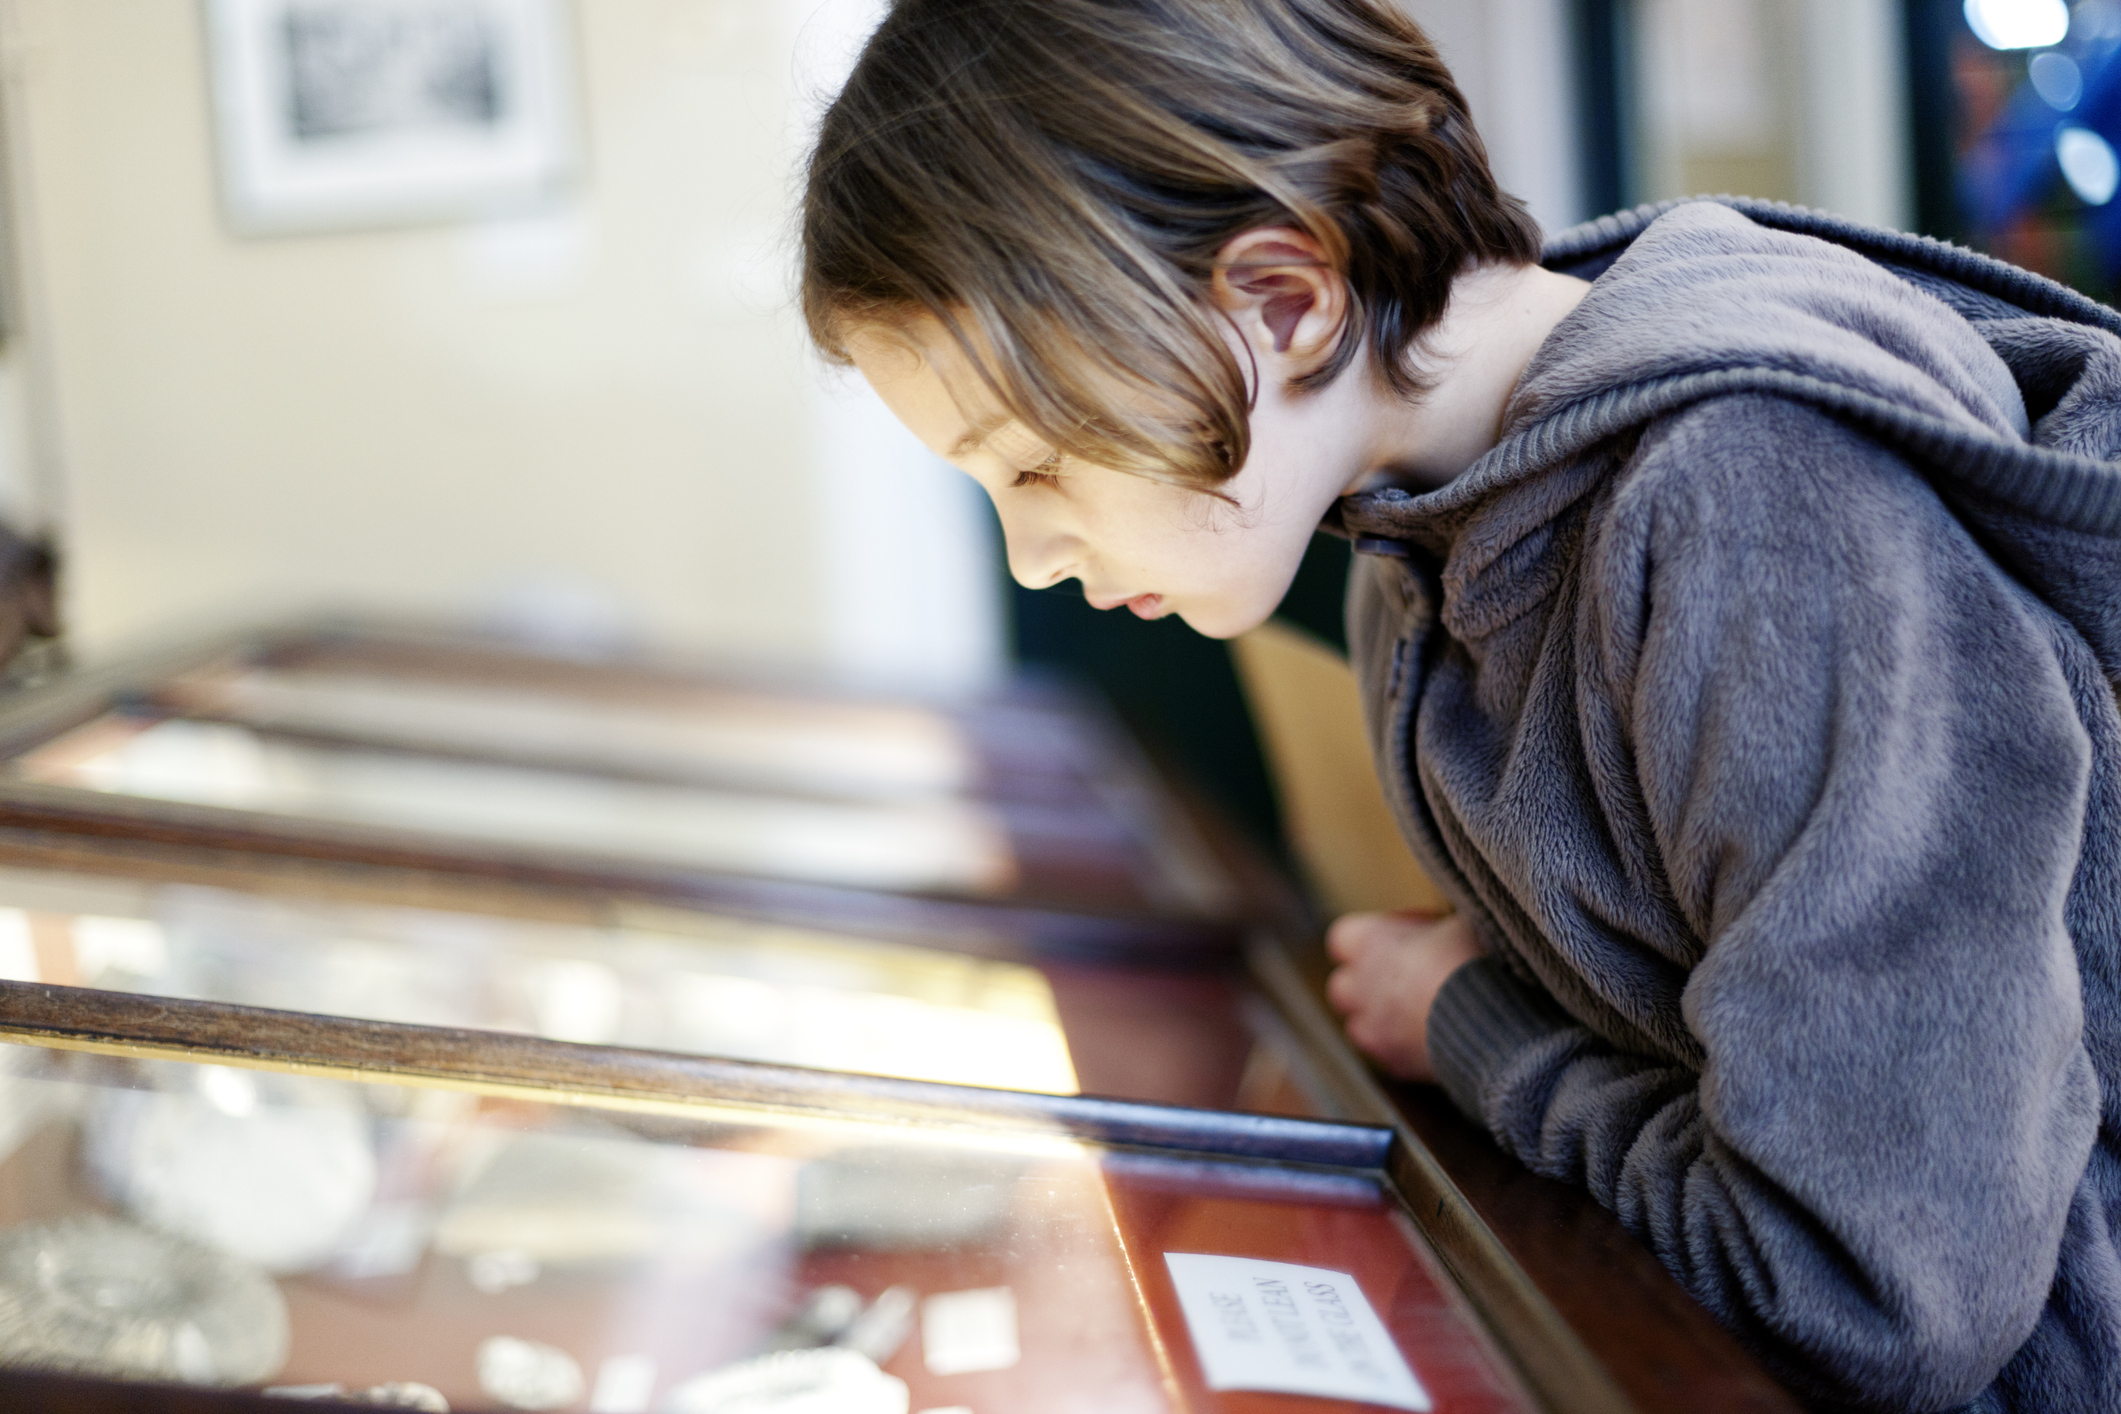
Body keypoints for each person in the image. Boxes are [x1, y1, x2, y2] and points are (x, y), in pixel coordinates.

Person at [798, 0, 2121, 1408]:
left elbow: (1863, 1294)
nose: (1033, 554)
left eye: (1039, 462)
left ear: (1282, 301)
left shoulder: (1757, 512)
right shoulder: (1406, 555)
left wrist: (1473, 1032)